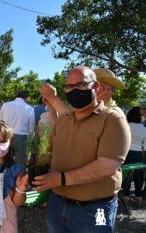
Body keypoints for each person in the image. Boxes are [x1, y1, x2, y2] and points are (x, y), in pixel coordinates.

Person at [33, 66, 131, 232]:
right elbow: (51, 151)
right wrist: (36, 171)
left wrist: (61, 179)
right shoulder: (65, 119)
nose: (74, 90)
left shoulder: (113, 119)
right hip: (58, 203)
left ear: (97, 87)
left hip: (95, 208)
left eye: (81, 85)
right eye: (69, 86)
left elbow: (107, 166)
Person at [39, 68, 125, 117]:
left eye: (83, 84)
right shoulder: (92, 110)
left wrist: (54, 99)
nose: (77, 90)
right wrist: (51, 106)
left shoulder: (113, 115)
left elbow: (70, 120)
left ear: (99, 88)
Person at [0, 90, 35, 169]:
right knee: (20, 162)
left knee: (6, 159)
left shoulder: (5, 105)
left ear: (16, 96)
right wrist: (30, 139)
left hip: (6, 135)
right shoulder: (30, 109)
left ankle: (5, 178)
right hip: (21, 138)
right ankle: (19, 179)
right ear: (27, 98)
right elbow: (31, 127)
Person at [123, 107, 146, 206]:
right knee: (137, 175)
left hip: (127, 152)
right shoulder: (143, 128)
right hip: (139, 153)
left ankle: (125, 195)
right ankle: (138, 196)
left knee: (127, 174)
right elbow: (144, 144)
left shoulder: (126, 126)